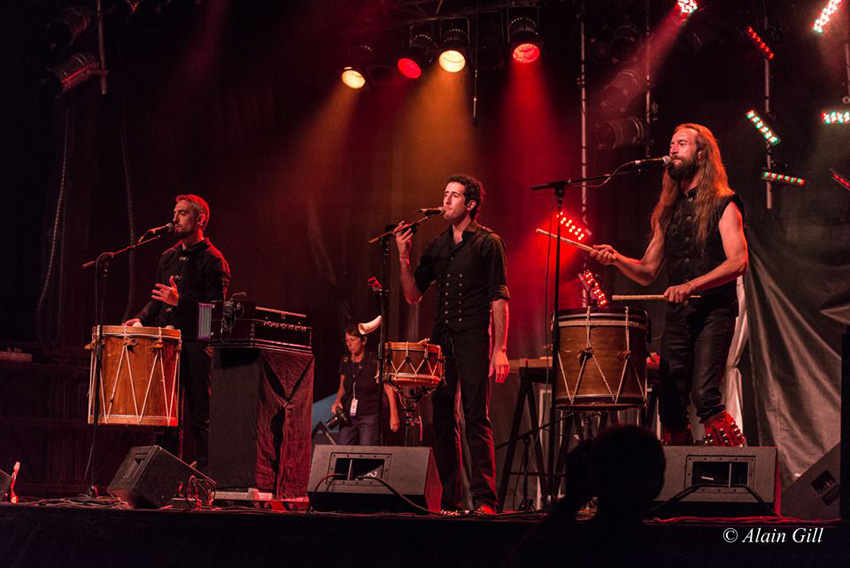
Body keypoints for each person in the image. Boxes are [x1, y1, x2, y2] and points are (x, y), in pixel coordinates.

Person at [590, 123, 748, 446]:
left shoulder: (724, 203)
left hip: (714, 312)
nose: (672, 150)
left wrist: (691, 285)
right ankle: (680, 482)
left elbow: (738, 261)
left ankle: (736, 471)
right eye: (672, 143)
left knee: (705, 395)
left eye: (682, 144)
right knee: (671, 404)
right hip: (678, 316)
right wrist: (617, 258)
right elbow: (648, 270)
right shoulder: (669, 212)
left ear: (701, 154)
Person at [395, 174, 510, 514]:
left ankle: (486, 501)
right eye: (444, 194)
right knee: (443, 420)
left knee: (476, 418)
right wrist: (403, 258)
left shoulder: (489, 243)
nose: (445, 201)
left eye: (454, 196)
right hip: (443, 342)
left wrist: (500, 348)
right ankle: (450, 500)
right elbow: (413, 295)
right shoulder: (438, 246)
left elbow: (500, 298)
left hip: (474, 337)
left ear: (470, 204)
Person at [124, 194, 231, 471]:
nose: (175, 218)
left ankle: (206, 478)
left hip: (196, 347)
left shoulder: (213, 260)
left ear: (200, 219)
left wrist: (179, 302)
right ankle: (165, 478)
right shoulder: (168, 257)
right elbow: (158, 297)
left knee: (199, 417)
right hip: (166, 346)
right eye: (175, 212)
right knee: (166, 418)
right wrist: (140, 318)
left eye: (182, 213)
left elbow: (214, 316)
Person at [331, 324, 400, 445]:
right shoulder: (345, 360)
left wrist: (394, 415)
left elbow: (389, 389)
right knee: (341, 450)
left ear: (363, 340)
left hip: (369, 415)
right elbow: (342, 386)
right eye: (347, 341)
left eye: (353, 340)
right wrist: (337, 401)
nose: (349, 344)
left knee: (366, 452)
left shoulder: (374, 361)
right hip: (348, 416)